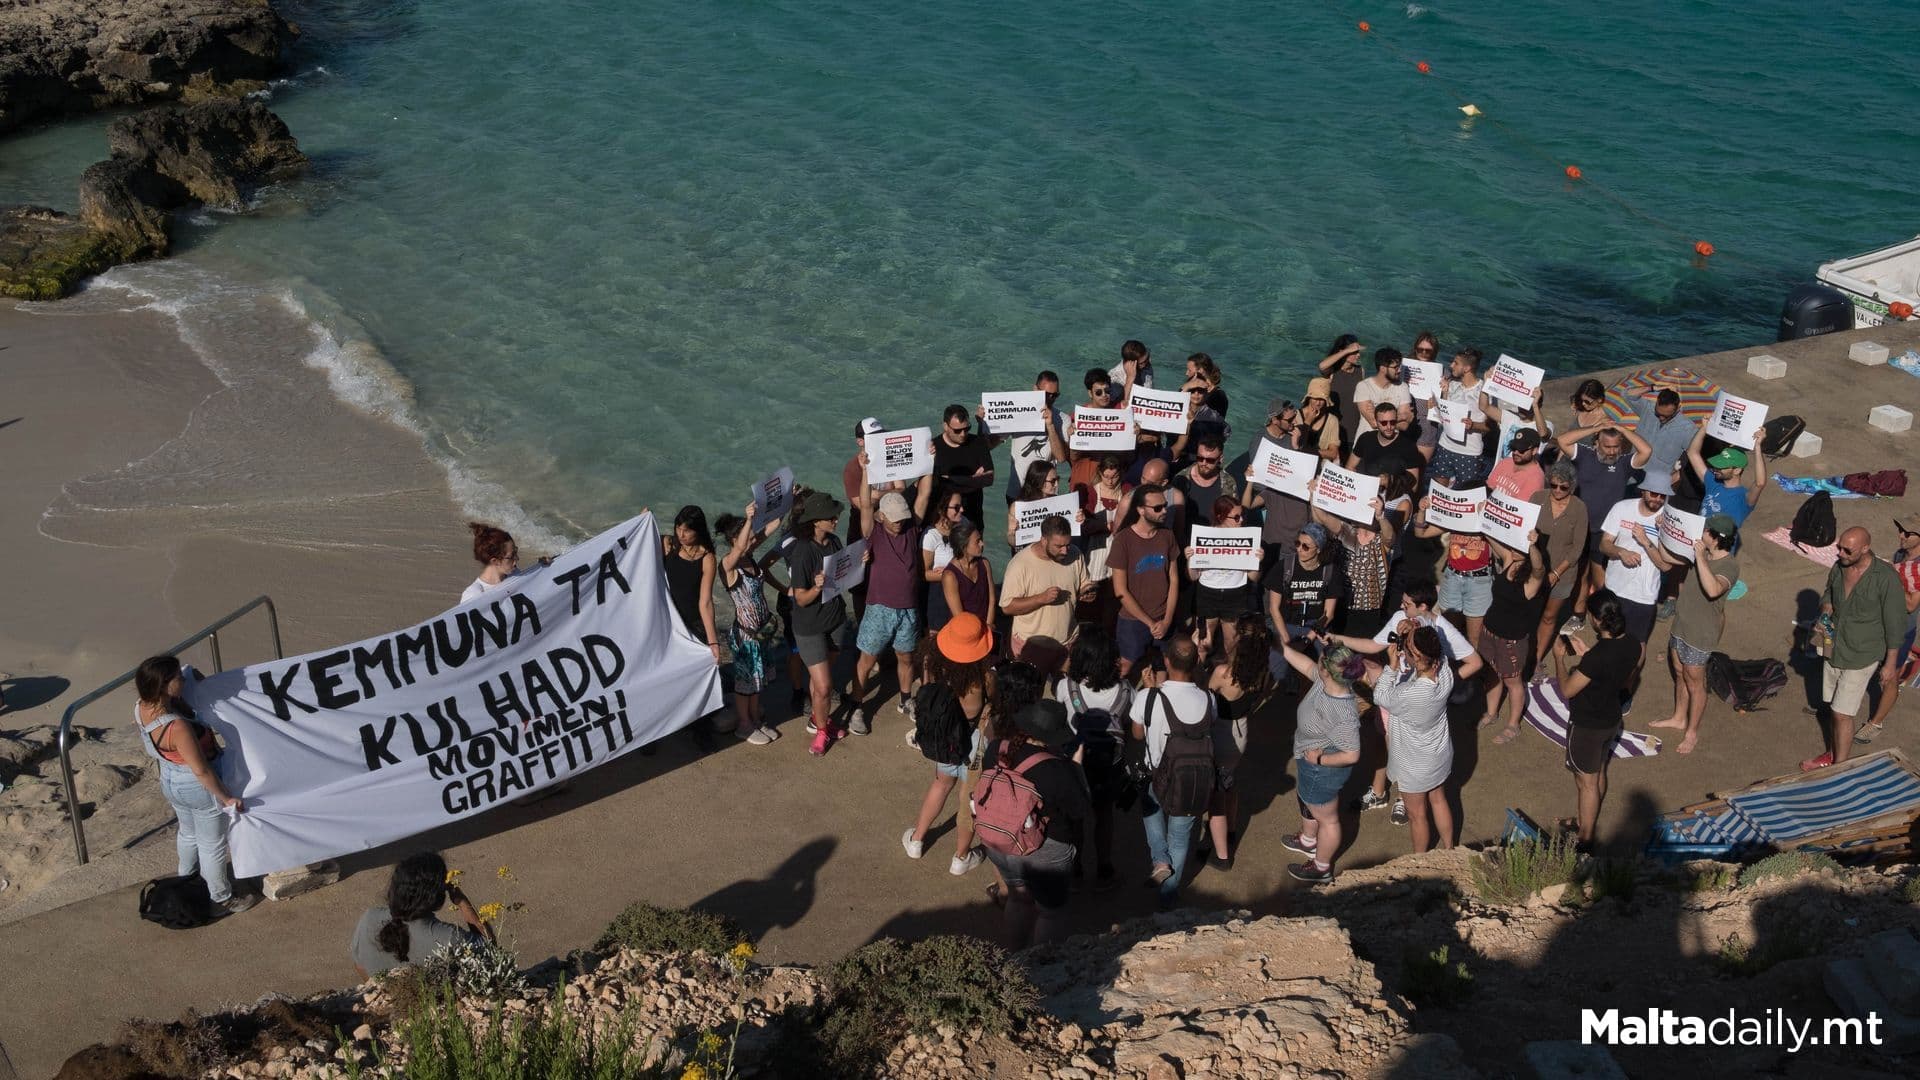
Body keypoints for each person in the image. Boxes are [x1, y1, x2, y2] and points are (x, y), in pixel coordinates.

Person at [1324, 581, 1483, 822]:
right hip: (1393, 695)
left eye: (1407, 603)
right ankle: (1378, 792)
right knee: (1381, 740)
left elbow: (1475, 662)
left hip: (1412, 704)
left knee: (1405, 753)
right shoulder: (1401, 617)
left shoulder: (1442, 629)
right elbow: (1373, 645)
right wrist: (1336, 638)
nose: (1401, 606)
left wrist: (1443, 686)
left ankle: (1404, 797)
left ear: (1423, 606)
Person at [134, 655, 256, 916]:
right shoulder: (177, 727)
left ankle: (187, 880)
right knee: (212, 844)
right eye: (177, 677)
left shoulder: (141, 707)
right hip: (196, 786)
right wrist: (226, 797)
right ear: (164, 685)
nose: (183, 679)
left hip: (170, 780)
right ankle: (221, 898)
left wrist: (190, 676)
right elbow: (201, 770)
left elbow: (191, 674)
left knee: (188, 834)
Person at [974, 700, 1089, 949]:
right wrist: (1076, 768)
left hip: (998, 841)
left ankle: (1014, 957)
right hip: (1044, 851)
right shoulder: (1057, 769)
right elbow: (1079, 809)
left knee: (1018, 899)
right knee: (1050, 913)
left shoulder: (996, 748)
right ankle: (1042, 966)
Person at [1803, 526, 1908, 770]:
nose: (1840, 553)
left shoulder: (1885, 578)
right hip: (1834, 648)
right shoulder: (1839, 566)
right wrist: (1826, 609)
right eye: (1839, 547)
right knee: (1833, 707)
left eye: (1847, 550)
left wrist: (1890, 663)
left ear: (1865, 549)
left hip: (1862, 654)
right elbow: (1829, 593)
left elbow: (1895, 623)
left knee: (1842, 713)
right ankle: (1832, 753)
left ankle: (1840, 769)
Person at [904, 614, 998, 875]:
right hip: (975, 743)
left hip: (946, 739)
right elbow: (995, 705)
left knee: (941, 784)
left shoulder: (938, 670)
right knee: (968, 799)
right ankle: (961, 857)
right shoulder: (986, 678)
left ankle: (917, 839)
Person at [1129, 638, 1216, 909]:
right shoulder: (1208, 698)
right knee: (1180, 837)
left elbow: (1137, 734)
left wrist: (1149, 691)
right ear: (1196, 662)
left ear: (1166, 661)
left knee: (1151, 810)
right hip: (1192, 778)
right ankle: (1168, 897)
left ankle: (1160, 860)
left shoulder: (1147, 697)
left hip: (1157, 773)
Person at [1274, 634, 1365, 884]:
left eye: (1321, 658)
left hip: (1321, 771)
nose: (1317, 659)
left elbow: (1352, 753)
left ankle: (1321, 868)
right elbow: (1305, 665)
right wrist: (1280, 647)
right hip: (1310, 763)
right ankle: (1308, 840)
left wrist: (1320, 759)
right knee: (1307, 799)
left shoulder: (1343, 711)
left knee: (1328, 819)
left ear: (1327, 670)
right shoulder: (1326, 682)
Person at [1552, 593, 1638, 851]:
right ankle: (1585, 822)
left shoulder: (1597, 658)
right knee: (1598, 772)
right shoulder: (1633, 644)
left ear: (1597, 619)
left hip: (1587, 725)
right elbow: (1617, 674)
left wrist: (1559, 659)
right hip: (1610, 718)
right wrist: (1589, 655)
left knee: (1586, 783)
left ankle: (1585, 839)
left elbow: (1567, 689)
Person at [851, 466, 934, 731]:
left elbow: (924, 494)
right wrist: (865, 470)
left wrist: (928, 463)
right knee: (866, 661)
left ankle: (905, 699)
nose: (899, 522)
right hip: (879, 608)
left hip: (908, 609)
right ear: (882, 516)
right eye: (894, 519)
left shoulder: (911, 528)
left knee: (906, 657)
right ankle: (856, 706)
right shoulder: (873, 531)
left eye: (902, 518)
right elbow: (865, 503)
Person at [1653, 515, 1739, 754]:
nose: (1702, 532)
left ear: (1715, 538)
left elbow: (1713, 589)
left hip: (1700, 634)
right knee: (1680, 673)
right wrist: (1662, 533)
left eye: (1706, 530)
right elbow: (1668, 558)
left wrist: (1700, 557)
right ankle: (1679, 718)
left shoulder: (1729, 566)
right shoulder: (1702, 554)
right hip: (1681, 626)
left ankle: (1692, 732)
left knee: (1695, 683)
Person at [1553, 423, 1652, 631]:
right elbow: (1563, 440)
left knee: (1602, 578)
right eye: (1607, 446)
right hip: (1579, 527)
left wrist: (1622, 430)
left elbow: (1646, 451)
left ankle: (1607, 619)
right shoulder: (1584, 455)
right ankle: (1578, 614)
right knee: (1580, 573)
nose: (1612, 451)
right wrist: (1595, 428)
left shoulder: (1624, 463)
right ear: (1597, 443)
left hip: (1606, 532)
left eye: (1616, 446)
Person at [1057, 627, 1133, 891]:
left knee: (1076, 817)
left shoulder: (1066, 687)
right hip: (1109, 765)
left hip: (1076, 764)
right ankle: (1104, 868)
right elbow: (1128, 725)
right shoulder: (1126, 690)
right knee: (1104, 816)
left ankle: (1075, 868)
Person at [1371, 624, 1456, 854]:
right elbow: (1435, 644)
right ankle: (1450, 849)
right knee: (1438, 799)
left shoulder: (1411, 694)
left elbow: (1380, 695)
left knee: (1417, 815)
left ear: (1416, 657)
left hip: (1414, 765)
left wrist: (1392, 665)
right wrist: (1416, 629)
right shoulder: (1444, 670)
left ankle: (1420, 860)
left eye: (1407, 648)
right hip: (1439, 754)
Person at [1597, 471, 1679, 698]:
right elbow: (1604, 544)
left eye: (1663, 496)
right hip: (1614, 588)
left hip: (1643, 595)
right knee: (1607, 638)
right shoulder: (1622, 508)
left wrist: (1646, 541)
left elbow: (1665, 566)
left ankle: (1625, 690)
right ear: (1643, 490)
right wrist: (1620, 552)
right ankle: (1604, 680)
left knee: (1637, 646)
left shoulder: (1669, 520)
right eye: (1654, 494)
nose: (1658, 499)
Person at [1199, 615, 1272, 867]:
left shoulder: (1223, 673)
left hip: (1220, 735)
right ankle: (1230, 830)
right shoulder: (1263, 672)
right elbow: (1261, 696)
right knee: (1229, 783)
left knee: (1215, 797)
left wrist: (1202, 659)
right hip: (1241, 732)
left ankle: (1221, 854)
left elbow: (1203, 702)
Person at [787, 491, 856, 755]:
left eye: (835, 515)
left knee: (820, 684)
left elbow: (843, 575)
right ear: (816, 521)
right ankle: (822, 731)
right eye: (831, 517)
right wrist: (817, 588)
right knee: (825, 686)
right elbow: (801, 599)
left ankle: (819, 719)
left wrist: (857, 563)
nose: (836, 520)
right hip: (810, 627)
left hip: (835, 620)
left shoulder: (834, 542)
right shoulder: (802, 552)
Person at [350, 851, 490, 978]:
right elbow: (489, 948)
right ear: (436, 896)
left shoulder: (369, 918)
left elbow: (359, 966)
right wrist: (462, 902)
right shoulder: (448, 937)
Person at [714, 505, 784, 745]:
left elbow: (772, 527)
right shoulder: (728, 565)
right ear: (735, 540)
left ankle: (754, 718)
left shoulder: (749, 557)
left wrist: (784, 500)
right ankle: (744, 725)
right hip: (745, 636)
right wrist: (748, 518)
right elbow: (740, 547)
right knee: (745, 684)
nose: (754, 540)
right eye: (749, 537)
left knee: (757, 680)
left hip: (761, 633)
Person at [1856, 514, 1920, 745]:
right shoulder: (1901, 555)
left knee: (1889, 678)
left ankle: (1876, 723)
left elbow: (1911, 605)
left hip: (1900, 630)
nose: (1901, 535)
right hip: (1879, 623)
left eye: (1908, 533)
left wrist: (1889, 577)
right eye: (1900, 529)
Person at [1000, 515, 1092, 674]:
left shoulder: (1075, 554)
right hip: (1032, 646)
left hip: (1067, 642)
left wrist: (1088, 591)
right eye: (1059, 546)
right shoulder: (1020, 564)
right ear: (1043, 540)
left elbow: (1085, 582)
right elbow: (1007, 607)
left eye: (1067, 544)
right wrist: (1040, 599)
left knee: (1064, 686)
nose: (1065, 550)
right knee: (1030, 687)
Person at [1480, 535, 1547, 745]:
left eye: (1520, 547)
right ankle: (1492, 713)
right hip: (1489, 632)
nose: (1513, 548)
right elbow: (1492, 537)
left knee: (1513, 682)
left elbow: (1539, 567)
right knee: (1491, 674)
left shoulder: (1533, 578)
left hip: (1511, 641)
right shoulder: (1510, 558)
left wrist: (1532, 545)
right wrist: (1484, 522)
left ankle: (1513, 725)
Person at [1110, 482, 1181, 678]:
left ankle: (1158, 696)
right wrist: (1150, 623)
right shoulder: (1123, 540)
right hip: (1133, 620)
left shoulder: (1167, 536)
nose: (1164, 511)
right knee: (1124, 667)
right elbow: (1120, 590)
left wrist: (1167, 620)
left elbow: (1174, 580)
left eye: (1165, 506)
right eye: (1157, 508)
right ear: (1141, 510)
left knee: (1164, 667)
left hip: (1164, 616)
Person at [1529, 460, 1590, 668]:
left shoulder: (1579, 508)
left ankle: (1535, 659)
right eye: (1553, 485)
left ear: (1571, 486)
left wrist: (1556, 573)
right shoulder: (1537, 498)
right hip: (1533, 569)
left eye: (1563, 487)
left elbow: (1577, 548)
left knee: (1548, 617)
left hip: (1563, 573)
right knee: (1529, 613)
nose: (1557, 490)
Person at [1413, 497, 1494, 650]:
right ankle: (1452, 663)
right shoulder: (1456, 519)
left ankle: (1471, 664)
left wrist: (1486, 521)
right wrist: (1422, 511)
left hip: (1479, 583)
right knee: (1449, 632)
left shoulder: (1488, 523)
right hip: (1452, 579)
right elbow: (1421, 533)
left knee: (1474, 638)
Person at [1188, 496, 1261, 660]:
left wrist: (1257, 561)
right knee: (1203, 642)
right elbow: (1193, 576)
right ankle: (1199, 672)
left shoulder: (1248, 537)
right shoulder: (1204, 536)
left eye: (1242, 516)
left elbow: (1254, 577)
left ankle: (1231, 673)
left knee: (1232, 642)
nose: (1241, 520)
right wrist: (1190, 560)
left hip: (1235, 595)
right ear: (1220, 517)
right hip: (1207, 594)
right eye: (1236, 517)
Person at [1316, 492, 1395, 640]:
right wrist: (1316, 493)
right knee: (1338, 647)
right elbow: (1323, 517)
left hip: (1370, 608)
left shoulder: (1380, 536)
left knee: (1363, 649)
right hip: (1342, 603)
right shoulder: (1347, 530)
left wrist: (1381, 517)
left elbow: (1390, 538)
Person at [663, 506, 724, 671]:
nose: (681, 534)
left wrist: (713, 642)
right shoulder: (668, 544)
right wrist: (642, 519)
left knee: (693, 670)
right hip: (669, 621)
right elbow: (637, 546)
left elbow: (705, 601)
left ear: (698, 531)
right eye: (678, 528)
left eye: (687, 530)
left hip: (693, 624)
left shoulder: (707, 558)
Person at [997, 370, 1069, 507]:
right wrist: (984, 424)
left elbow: (1061, 458)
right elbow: (991, 444)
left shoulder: (1062, 419)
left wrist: (1050, 426)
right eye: (1046, 394)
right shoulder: (1018, 413)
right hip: (1017, 490)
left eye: (1055, 395)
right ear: (1035, 389)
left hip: (1047, 493)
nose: (1050, 399)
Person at [1264, 521, 1344, 643]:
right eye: (1298, 543)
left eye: (1305, 546)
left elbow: (1328, 614)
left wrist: (1308, 639)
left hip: (1316, 627)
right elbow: (1274, 608)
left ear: (1318, 549)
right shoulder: (1284, 567)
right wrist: (1285, 638)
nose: (1300, 549)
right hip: (1286, 625)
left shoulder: (1330, 571)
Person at [1426, 348, 1493, 490]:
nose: (1451, 365)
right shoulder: (1452, 385)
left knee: (1465, 492)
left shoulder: (1484, 391)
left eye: (1456, 363)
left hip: (1469, 452)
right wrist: (1435, 405)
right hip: (1444, 445)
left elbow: (1490, 427)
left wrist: (1473, 425)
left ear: (1467, 368)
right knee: (1437, 490)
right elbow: (1445, 415)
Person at [1685, 425, 1768, 534]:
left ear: (1737, 470)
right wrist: (1705, 428)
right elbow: (1692, 453)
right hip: (1697, 538)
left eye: (1722, 467)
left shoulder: (1743, 498)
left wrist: (1757, 446)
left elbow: (1760, 483)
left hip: (1718, 544)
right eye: (1717, 465)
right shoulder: (1713, 481)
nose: (1716, 469)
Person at [932, 404, 995, 527]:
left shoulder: (978, 443)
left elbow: (989, 479)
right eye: (957, 430)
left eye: (967, 429)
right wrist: (973, 480)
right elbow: (934, 484)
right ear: (945, 426)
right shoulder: (934, 448)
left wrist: (950, 479)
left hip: (973, 516)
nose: (962, 434)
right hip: (943, 518)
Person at [1005, 460, 1082, 553]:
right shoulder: (1018, 507)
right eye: (1053, 481)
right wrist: (1013, 533)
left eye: (1057, 479)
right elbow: (1011, 541)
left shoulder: (1060, 503)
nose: (1056, 484)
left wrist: (1078, 521)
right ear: (1039, 481)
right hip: (1030, 554)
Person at [461, 523, 550, 603]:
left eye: (516, 551)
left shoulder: (514, 574)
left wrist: (542, 568)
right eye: (512, 556)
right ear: (495, 561)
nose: (517, 558)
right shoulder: (474, 594)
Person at [1630, 387, 1699, 487]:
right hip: (1631, 475)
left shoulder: (1688, 429)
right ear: (1656, 403)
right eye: (1658, 414)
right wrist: (1654, 387)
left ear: (1678, 408)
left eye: (1667, 416)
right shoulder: (1647, 408)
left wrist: (1676, 476)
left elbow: (1696, 458)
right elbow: (1628, 395)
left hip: (1656, 485)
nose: (1661, 418)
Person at [920, 486, 966, 632]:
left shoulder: (965, 524)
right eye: (956, 507)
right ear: (942, 509)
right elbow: (923, 573)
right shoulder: (931, 535)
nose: (962, 510)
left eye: (962, 505)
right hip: (940, 594)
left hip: (964, 590)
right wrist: (950, 574)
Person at [1171, 433, 1236, 536]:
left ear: (1220, 459)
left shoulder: (1228, 482)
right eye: (1200, 458)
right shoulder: (1181, 480)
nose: (1204, 463)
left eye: (1210, 460)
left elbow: (1232, 516)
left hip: (1213, 538)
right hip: (1184, 537)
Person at [1347, 401, 1424, 484]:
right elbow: (1350, 467)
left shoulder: (1408, 446)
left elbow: (1413, 483)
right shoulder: (1365, 439)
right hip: (1368, 488)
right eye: (1384, 423)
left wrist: (1390, 482)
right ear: (1376, 422)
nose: (1389, 427)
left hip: (1395, 491)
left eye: (1392, 422)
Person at [941, 516, 996, 630]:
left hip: (986, 628)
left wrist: (988, 626)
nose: (982, 544)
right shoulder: (950, 576)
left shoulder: (984, 564)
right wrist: (976, 631)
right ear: (963, 546)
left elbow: (992, 599)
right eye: (977, 541)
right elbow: (959, 616)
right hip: (964, 631)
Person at [1350, 348, 1411, 437]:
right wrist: (1401, 417)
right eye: (1395, 367)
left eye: (1399, 366)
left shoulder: (1403, 387)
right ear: (1382, 368)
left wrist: (1377, 413)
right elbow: (1373, 423)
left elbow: (1404, 425)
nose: (1399, 370)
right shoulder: (1364, 386)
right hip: (1366, 440)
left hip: (1393, 442)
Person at [1317, 334, 1367, 440]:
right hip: (1334, 428)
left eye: (1358, 351)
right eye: (1354, 352)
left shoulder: (1360, 370)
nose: (1358, 355)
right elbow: (1322, 366)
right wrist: (1346, 351)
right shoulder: (1332, 371)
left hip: (1355, 426)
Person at [1487, 427, 1546, 501]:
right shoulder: (1505, 462)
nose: (1516, 452)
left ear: (1534, 451)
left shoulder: (1535, 478)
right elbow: (1489, 487)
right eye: (1514, 448)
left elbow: (1521, 506)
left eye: (1521, 449)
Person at [1298, 378, 1343, 462]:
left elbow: (1333, 453)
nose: (1318, 403)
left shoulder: (1332, 420)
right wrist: (1308, 422)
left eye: (1322, 400)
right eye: (1315, 398)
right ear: (1309, 398)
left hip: (1320, 465)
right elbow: (1295, 446)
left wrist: (1308, 452)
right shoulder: (1296, 415)